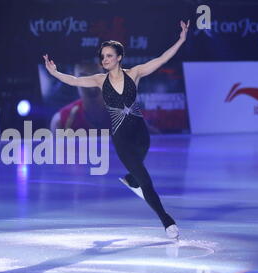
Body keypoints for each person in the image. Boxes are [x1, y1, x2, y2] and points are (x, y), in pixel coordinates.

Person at [43, 20, 190, 239]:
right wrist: (55, 73)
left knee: (138, 173)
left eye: (109, 55)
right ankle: (166, 220)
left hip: (141, 135)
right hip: (121, 139)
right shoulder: (99, 80)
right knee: (146, 181)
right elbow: (73, 80)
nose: (105, 59)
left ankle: (131, 178)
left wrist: (181, 40)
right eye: (103, 56)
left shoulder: (135, 73)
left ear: (119, 57)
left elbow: (161, 59)